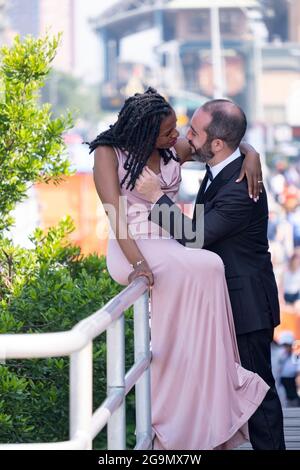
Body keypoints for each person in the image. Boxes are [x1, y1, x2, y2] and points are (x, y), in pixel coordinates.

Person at [90, 88, 269, 450]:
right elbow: (116, 215)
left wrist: (252, 154)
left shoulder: (171, 150)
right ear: (144, 133)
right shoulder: (108, 154)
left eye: (178, 129)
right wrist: (138, 263)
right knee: (208, 263)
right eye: (169, 132)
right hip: (133, 244)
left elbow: (220, 145)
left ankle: (210, 385)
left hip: (170, 244)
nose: (178, 137)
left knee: (207, 267)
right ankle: (184, 403)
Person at [138, 98, 285, 450]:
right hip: (223, 300)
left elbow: (194, 237)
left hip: (245, 304)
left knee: (258, 392)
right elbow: (231, 141)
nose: (187, 137)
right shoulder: (227, 161)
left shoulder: (241, 189)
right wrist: (249, 149)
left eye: (194, 131)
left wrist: (157, 198)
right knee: (233, 387)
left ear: (217, 144)